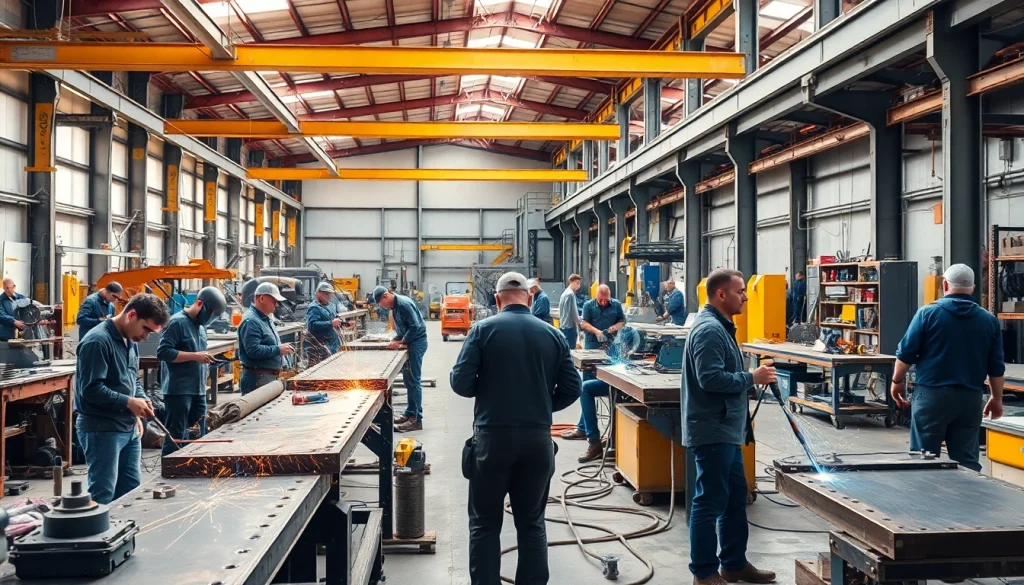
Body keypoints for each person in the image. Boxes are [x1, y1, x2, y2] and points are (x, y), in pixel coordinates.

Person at [451, 271, 581, 585]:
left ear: (496, 300)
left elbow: (460, 382)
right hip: (536, 441)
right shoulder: (552, 334)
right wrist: (540, 407)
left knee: (484, 524)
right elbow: (572, 387)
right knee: (532, 523)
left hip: (492, 441)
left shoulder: (483, 330)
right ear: (531, 297)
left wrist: (490, 390)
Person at [683, 268, 777, 585]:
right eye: (740, 291)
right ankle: (705, 573)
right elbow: (709, 379)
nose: (746, 297)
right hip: (712, 430)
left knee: (735, 497)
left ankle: (734, 564)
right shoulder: (709, 330)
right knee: (709, 501)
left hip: (727, 429)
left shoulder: (722, 328)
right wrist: (752, 378)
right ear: (721, 294)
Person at [891, 264, 1004, 472]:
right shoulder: (989, 320)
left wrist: (897, 381)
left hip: (931, 398)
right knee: (967, 462)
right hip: (969, 399)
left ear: (944, 284)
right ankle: (969, 502)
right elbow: (996, 367)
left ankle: (927, 504)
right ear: (973, 287)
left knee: (923, 460)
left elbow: (905, 354)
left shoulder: (927, 314)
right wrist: (996, 398)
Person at [75, 293, 169, 504]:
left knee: (130, 493)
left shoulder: (130, 341)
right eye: (146, 329)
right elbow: (90, 390)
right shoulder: (97, 341)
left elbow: (132, 379)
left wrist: (141, 401)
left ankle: (126, 536)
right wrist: (129, 403)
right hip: (102, 428)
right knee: (104, 495)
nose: (146, 337)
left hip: (128, 428)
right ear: (132, 315)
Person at [560, 284, 627, 463]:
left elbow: (622, 321)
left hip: (611, 348)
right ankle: (587, 431)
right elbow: (584, 323)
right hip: (593, 346)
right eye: (601, 299)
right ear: (596, 296)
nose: (604, 301)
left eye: (606, 299)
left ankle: (602, 435)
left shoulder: (616, 305)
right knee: (587, 386)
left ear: (610, 296)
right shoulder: (589, 305)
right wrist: (597, 332)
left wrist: (613, 329)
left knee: (599, 388)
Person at [156, 287, 225, 456]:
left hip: (198, 390)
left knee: (197, 436)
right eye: (210, 315)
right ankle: (168, 475)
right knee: (177, 437)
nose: (210, 320)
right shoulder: (177, 322)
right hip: (179, 391)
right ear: (199, 303)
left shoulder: (200, 328)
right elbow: (163, 352)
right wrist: (195, 356)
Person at [373, 286, 428, 432]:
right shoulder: (395, 306)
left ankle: (416, 420)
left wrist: (401, 342)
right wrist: (396, 339)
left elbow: (415, 327)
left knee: (414, 381)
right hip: (410, 341)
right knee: (408, 381)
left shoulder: (403, 305)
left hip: (416, 343)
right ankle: (410, 413)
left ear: (386, 296)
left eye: (380, 303)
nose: (381, 307)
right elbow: (404, 327)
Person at [238, 282, 293, 395]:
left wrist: (282, 349)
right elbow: (253, 350)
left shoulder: (265, 318)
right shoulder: (251, 321)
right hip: (258, 379)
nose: (276, 305)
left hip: (267, 377)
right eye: (274, 301)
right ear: (262, 298)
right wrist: (278, 350)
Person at [305, 282, 343, 365]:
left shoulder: (329, 306)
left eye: (329, 294)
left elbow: (335, 318)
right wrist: (330, 324)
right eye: (326, 294)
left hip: (332, 346)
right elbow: (312, 326)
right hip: (319, 348)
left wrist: (344, 323)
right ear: (318, 293)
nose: (328, 296)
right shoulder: (314, 308)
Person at [558, 274, 583, 347]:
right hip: (569, 328)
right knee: (571, 351)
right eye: (577, 283)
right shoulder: (570, 294)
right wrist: (580, 325)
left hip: (563, 326)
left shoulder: (564, 293)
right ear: (571, 282)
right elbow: (574, 313)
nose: (579, 286)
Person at [0, 277, 26, 341]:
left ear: (14, 286)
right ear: (3, 288)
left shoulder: (21, 297)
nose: (8, 290)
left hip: (22, 334)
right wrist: (14, 321)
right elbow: (1, 315)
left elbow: (26, 312)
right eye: (6, 288)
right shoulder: (1, 300)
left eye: (10, 287)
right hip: (6, 335)